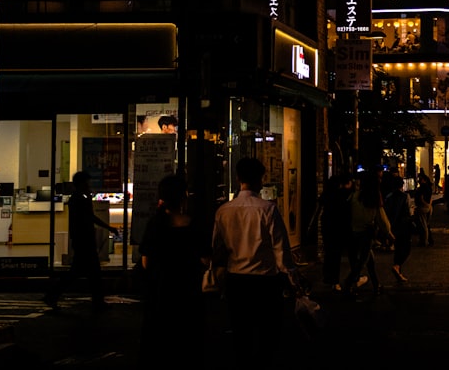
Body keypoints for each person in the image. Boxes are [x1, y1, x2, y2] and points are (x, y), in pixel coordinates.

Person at [211, 157, 301, 366]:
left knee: (241, 333)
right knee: (268, 335)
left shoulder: (224, 210)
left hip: (236, 280)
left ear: (238, 178)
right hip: (265, 281)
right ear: (260, 179)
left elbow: (217, 248)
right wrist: (294, 280)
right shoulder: (267, 209)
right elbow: (281, 251)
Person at [138, 173, 211, 367]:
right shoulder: (194, 225)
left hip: (161, 291)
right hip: (189, 291)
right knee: (188, 341)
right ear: (183, 196)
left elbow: (146, 262)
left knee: (160, 340)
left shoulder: (155, 225)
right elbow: (206, 259)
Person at [43, 170, 114, 314]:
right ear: (81, 183)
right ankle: (54, 295)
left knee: (83, 272)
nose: (89, 185)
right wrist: (108, 227)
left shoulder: (78, 197)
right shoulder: (79, 198)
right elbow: (90, 217)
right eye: (87, 183)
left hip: (82, 239)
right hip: (84, 240)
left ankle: (54, 295)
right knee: (88, 272)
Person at [343, 168, 394, 299]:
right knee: (362, 261)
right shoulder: (374, 197)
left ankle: (376, 285)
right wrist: (389, 233)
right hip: (366, 233)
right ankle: (348, 284)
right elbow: (382, 218)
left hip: (354, 231)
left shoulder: (355, 195)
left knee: (369, 260)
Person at [318, 173, 354, 290]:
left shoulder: (326, 195)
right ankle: (334, 280)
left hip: (327, 226)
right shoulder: (340, 196)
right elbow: (344, 213)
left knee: (330, 253)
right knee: (335, 254)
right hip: (337, 228)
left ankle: (329, 278)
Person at [383, 173, 413, 282]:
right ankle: (397, 266)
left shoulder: (388, 197)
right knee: (406, 248)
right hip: (404, 225)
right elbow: (409, 211)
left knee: (398, 248)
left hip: (393, 226)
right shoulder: (405, 196)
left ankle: (398, 271)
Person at [414, 171, 434, 247]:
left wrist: (425, 204)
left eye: (420, 179)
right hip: (429, 207)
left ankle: (424, 241)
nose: (419, 180)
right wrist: (429, 205)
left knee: (423, 225)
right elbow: (430, 198)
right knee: (426, 224)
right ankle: (428, 240)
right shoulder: (429, 188)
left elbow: (421, 198)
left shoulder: (421, 188)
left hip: (422, 207)